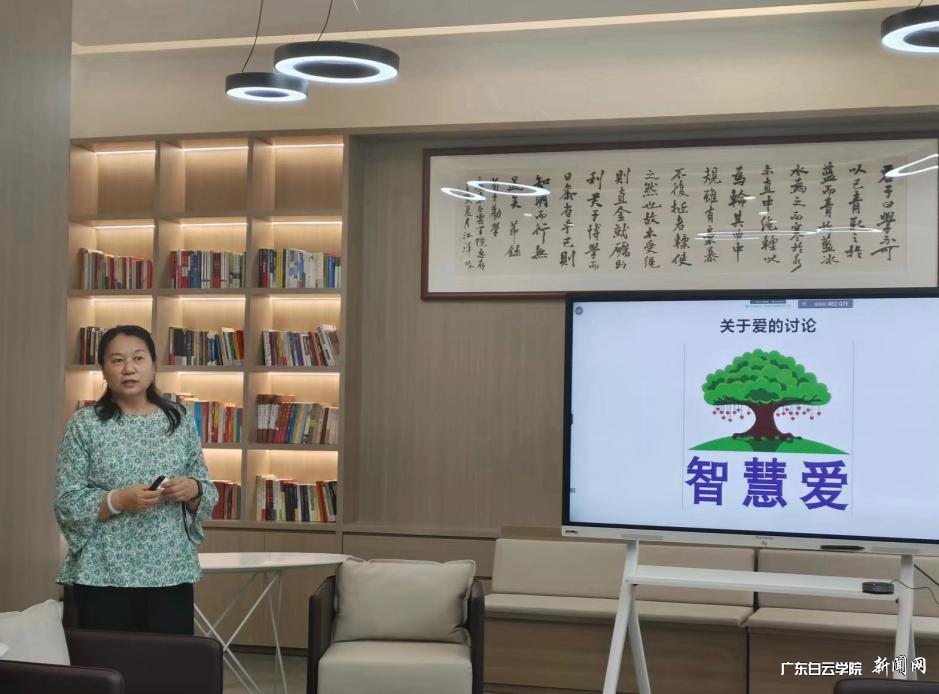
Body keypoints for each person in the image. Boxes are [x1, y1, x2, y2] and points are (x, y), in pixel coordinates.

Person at [54, 324, 218, 634]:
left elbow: (206, 487)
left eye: (138, 358)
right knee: (108, 661)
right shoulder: (84, 424)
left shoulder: (179, 419)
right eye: (117, 360)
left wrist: (193, 490)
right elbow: (66, 502)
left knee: (168, 661)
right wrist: (118, 501)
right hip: (103, 573)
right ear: (103, 369)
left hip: (170, 572)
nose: (128, 368)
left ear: (154, 365)